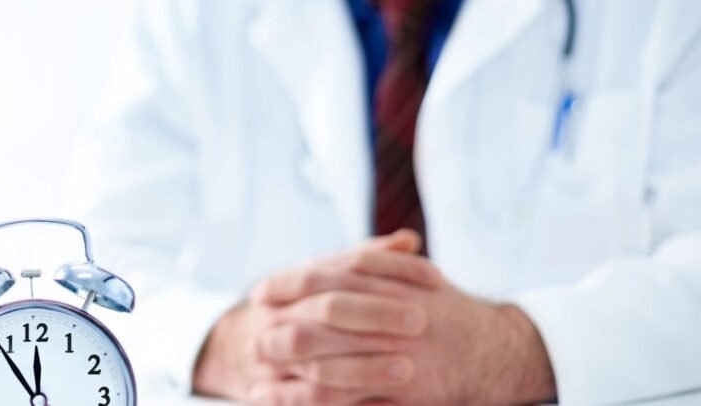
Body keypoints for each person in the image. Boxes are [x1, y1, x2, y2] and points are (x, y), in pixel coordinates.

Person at [67, 0, 701, 404]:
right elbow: (88, 266)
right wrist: (238, 345)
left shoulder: (662, 15)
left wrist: (517, 348)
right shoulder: (188, 16)